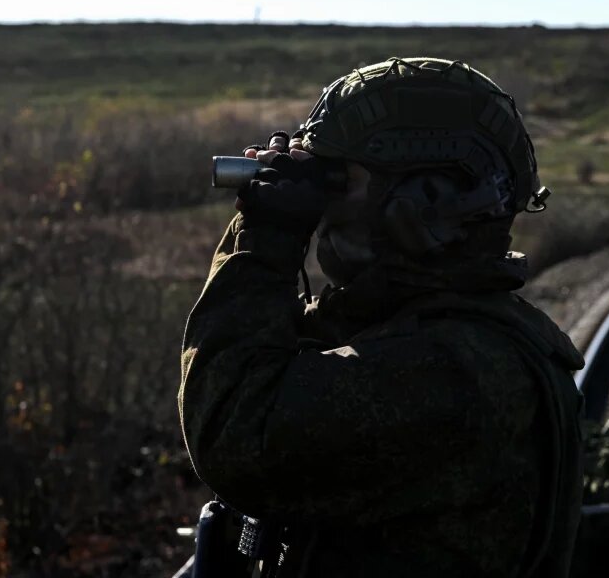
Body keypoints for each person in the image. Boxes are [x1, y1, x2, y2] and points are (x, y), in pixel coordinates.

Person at [178, 57, 585, 577]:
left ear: (426, 201)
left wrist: (265, 243)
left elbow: (234, 436)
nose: (323, 207)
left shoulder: (453, 370)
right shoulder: (448, 330)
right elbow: (283, 357)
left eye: (337, 180)